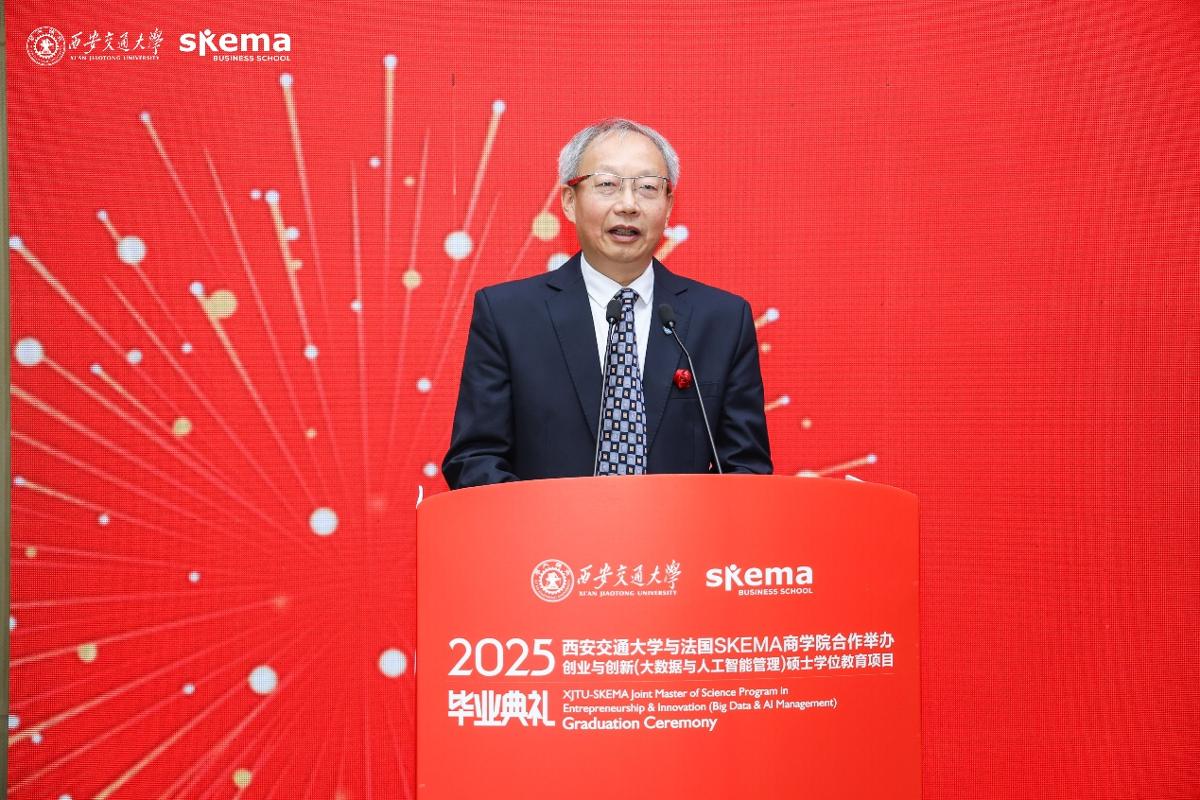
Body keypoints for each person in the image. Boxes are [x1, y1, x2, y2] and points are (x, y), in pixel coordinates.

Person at [442, 118, 771, 488]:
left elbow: (746, 470)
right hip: (544, 527)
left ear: (668, 206)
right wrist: (542, 521)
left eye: (647, 187)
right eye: (607, 185)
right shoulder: (507, 315)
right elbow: (475, 460)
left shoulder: (722, 320)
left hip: (679, 528)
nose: (628, 205)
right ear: (569, 201)